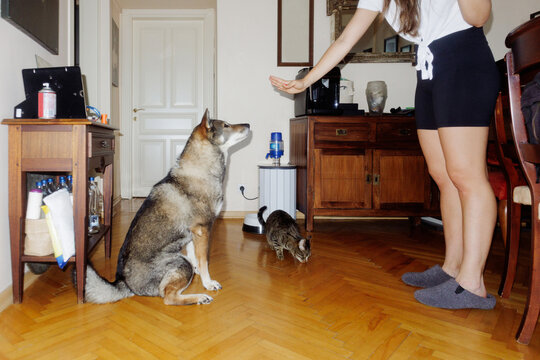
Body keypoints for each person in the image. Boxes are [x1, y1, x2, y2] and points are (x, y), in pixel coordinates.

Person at [270, 0, 499, 310]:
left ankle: (472, 283)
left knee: (466, 175)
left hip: (462, 60)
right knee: (443, 177)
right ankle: (453, 268)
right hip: (429, 66)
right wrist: (306, 81)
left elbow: (479, 16)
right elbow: (345, 40)